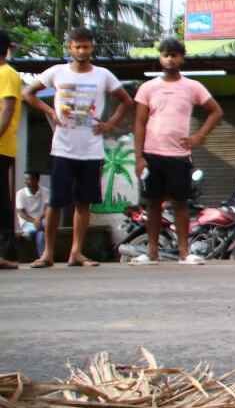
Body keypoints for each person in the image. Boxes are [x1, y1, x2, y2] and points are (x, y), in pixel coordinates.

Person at [24, 27, 133, 268]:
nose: (82, 50)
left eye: (86, 46)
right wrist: (50, 111)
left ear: (92, 48)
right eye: (77, 46)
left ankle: (76, 253)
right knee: (55, 202)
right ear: (70, 48)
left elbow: (126, 100)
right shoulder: (56, 72)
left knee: (84, 203)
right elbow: (28, 93)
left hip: (92, 150)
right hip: (62, 149)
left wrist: (110, 124)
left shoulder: (103, 75)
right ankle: (47, 254)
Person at [132, 38, 223, 265]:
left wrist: (198, 137)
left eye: (174, 54)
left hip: (179, 156)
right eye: (166, 55)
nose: (170, 59)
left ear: (182, 57)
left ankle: (184, 253)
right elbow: (139, 123)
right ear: (160, 57)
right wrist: (139, 157)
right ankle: (152, 252)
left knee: (181, 204)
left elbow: (216, 112)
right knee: (153, 204)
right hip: (152, 154)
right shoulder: (148, 87)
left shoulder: (193, 87)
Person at [0, 30, 21, 270]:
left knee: (1, 201)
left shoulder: (7, 73)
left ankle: (5, 252)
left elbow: (7, 110)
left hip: (1, 145)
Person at [16, 172, 49, 259]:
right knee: (40, 231)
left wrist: (38, 219)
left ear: (37, 180)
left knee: (41, 231)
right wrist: (34, 221)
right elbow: (21, 213)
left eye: (29, 179)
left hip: (41, 221)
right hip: (27, 222)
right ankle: (42, 257)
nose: (26, 182)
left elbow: (47, 208)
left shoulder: (45, 191)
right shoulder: (20, 193)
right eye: (25, 179)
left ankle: (42, 257)